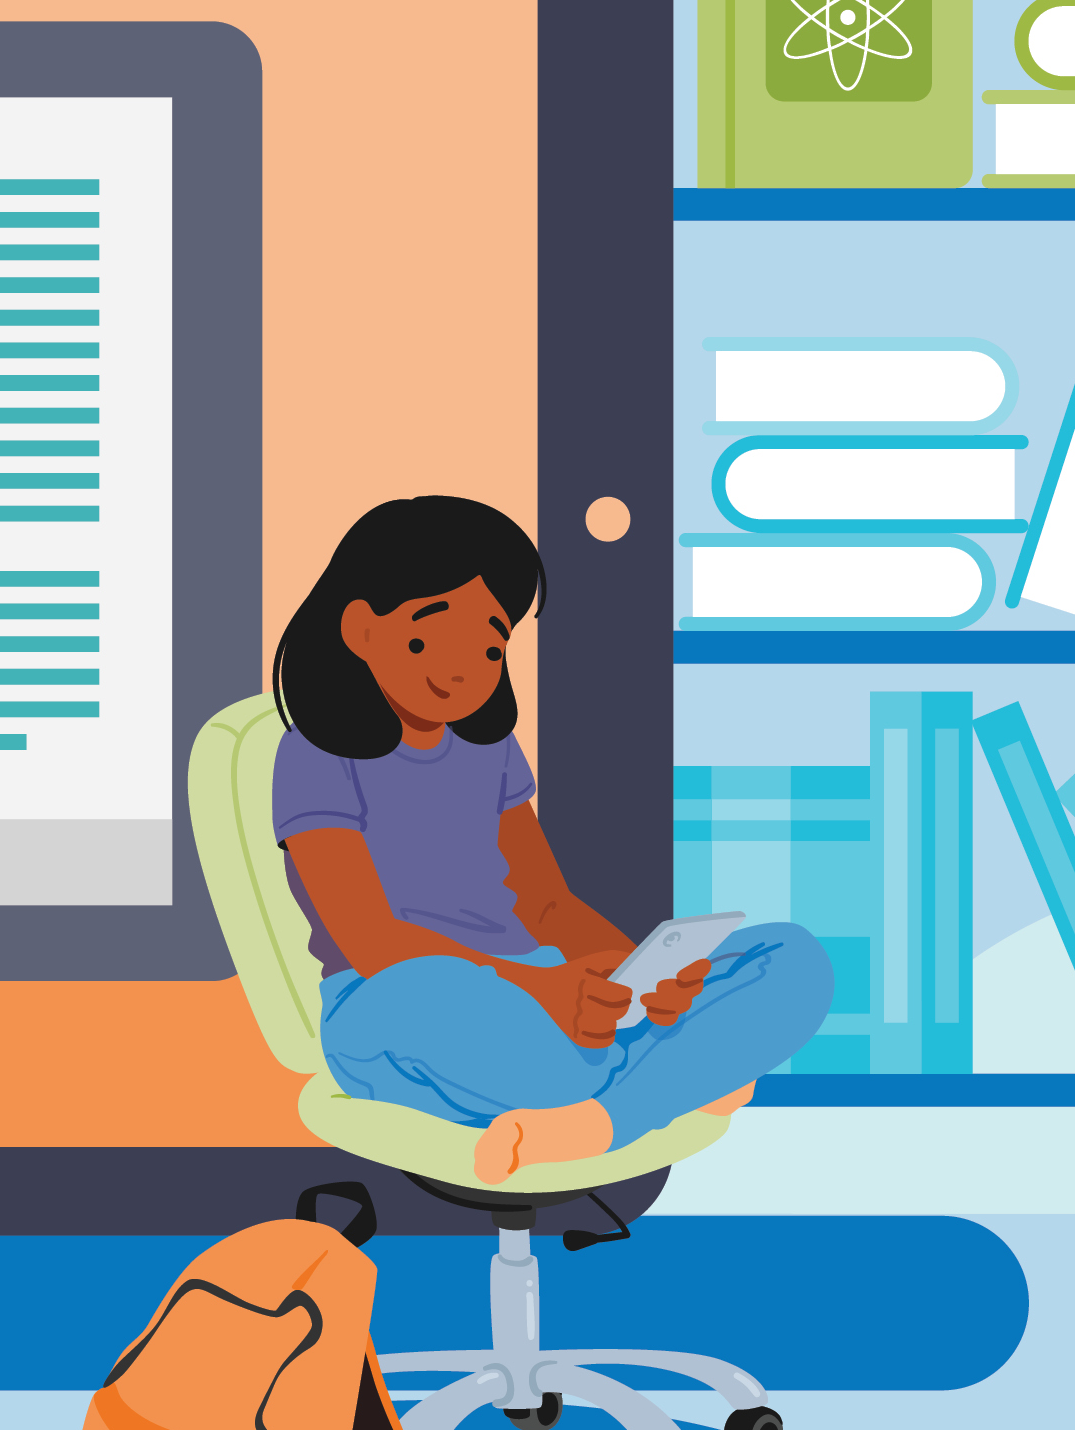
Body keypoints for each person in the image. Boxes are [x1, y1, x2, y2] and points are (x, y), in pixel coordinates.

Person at [270, 492, 836, 1177]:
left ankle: (600, 1116)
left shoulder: (490, 750)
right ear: (361, 630)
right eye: (428, 635)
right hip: (392, 1000)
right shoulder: (316, 757)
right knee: (480, 1018)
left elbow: (546, 905)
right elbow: (372, 940)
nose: (462, 669)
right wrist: (543, 992)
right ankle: (677, 1076)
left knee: (792, 958)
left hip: (538, 982)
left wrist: (627, 974)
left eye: (490, 645)